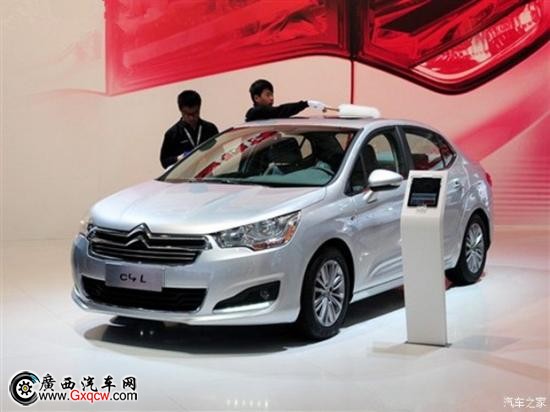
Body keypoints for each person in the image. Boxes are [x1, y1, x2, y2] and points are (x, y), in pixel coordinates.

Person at [160, 90, 219, 169]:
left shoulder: (210, 128)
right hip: (184, 174)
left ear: (199, 108)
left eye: (195, 113)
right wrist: (179, 158)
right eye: (188, 114)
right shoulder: (172, 133)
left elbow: (219, 152)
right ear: (180, 110)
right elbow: (164, 162)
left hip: (209, 172)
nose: (192, 118)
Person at [245, 79, 326, 122]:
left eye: (272, 94)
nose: (271, 98)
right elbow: (280, 111)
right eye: (268, 95)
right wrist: (306, 104)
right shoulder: (255, 113)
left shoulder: (268, 117)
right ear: (256, 98)